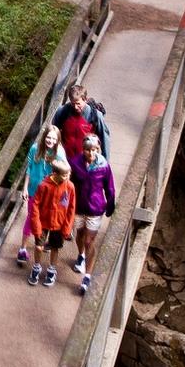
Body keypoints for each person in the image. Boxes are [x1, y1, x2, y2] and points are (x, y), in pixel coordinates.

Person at [70, 133, 116, 295]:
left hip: (95, 209)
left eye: (95, 149)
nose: (91, 153)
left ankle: (87, 276)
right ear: (83, 150)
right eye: (88, 150)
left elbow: (109, 187)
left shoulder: (104, 166)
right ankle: (80, 255)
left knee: (89, 241)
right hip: (79, 207)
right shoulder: (75, 163)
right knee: (79, 234)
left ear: (99, 149)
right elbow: (68, 183)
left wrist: (111, 205)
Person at [15, 126, 64, 265]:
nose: (50, 140)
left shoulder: (59, 154)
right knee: (31, 217)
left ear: (58, 140)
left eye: (54, 138)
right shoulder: (35, 148)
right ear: (44, 137)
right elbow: (29, 168)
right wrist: (24, 188)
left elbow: (65, 173)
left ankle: (41, 243)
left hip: (50, 192)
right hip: (34, 190)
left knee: (46, 219)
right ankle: (23, 249)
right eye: (48, 137)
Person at [27, 159, 76, 287]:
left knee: (55, 247)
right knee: (39, 246)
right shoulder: (43, 186)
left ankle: (51, 269)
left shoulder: (70, 186)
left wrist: (67, 227)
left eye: (68, 174)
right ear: (55, 173)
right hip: (43, 222)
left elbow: (71, 208)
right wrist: (36, 226)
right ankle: (36, 267)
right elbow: (35, 206)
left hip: (59, 223)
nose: (67, 177)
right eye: (65, 175)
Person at [52, 85, 110, 160]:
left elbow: (104, 138)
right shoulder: (62, 111)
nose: (75, 107)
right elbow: (53, 132)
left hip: (86, 160)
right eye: (73, 104)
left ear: (85, 100)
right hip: (65, 160)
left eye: (78, 104)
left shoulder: (95, 115)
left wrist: (105, 162)